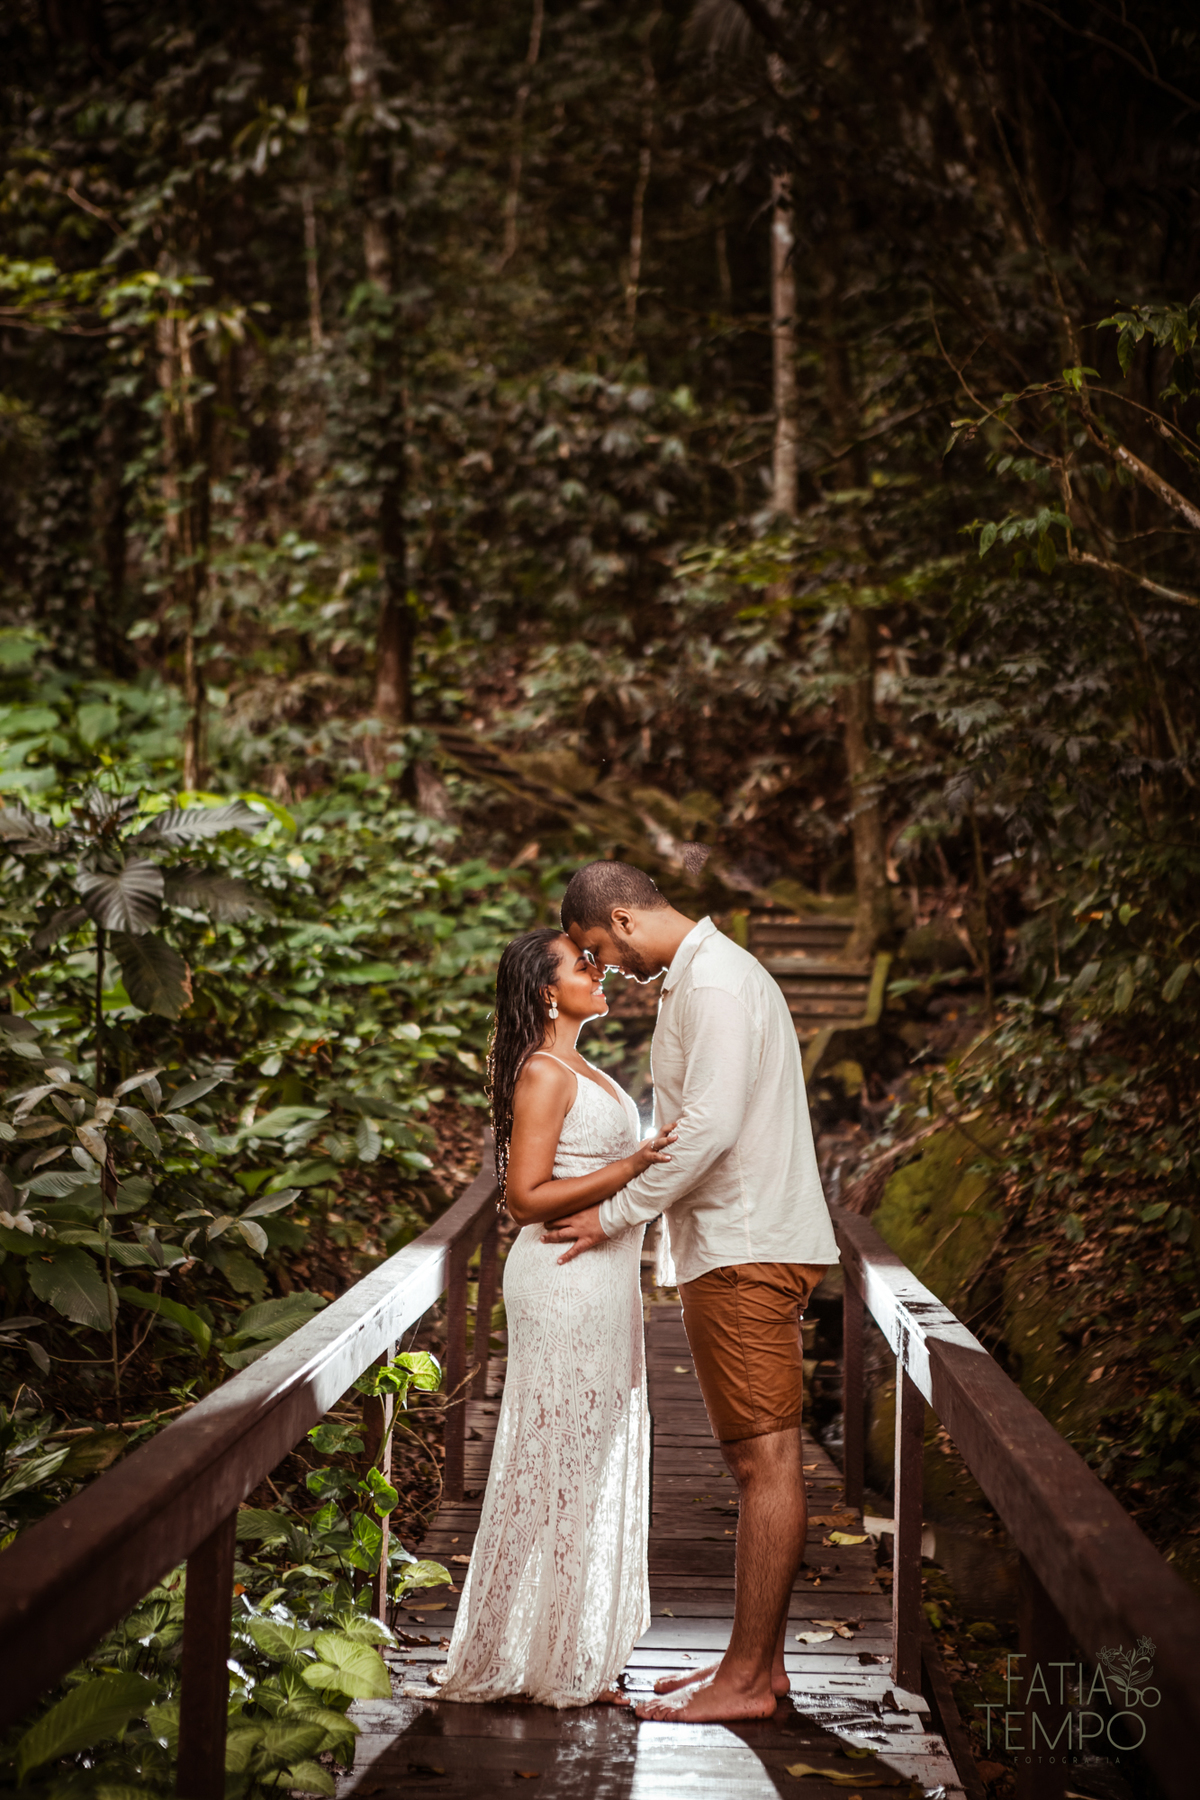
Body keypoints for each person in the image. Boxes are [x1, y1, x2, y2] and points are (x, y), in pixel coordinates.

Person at [544, 860, 840, 1724]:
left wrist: (615, 1217)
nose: (608, 968)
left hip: (744, 1249)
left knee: (763, 1462)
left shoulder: (712, 985)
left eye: (600, 947)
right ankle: (760, 1668)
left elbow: (704, 1127)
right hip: (741, 1243)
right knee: (765, 1457)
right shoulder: (710, 977)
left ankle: (746, 1681)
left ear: (625, 918)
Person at [437, 925, 677, 1708]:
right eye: (584, 965)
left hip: (602, 1279)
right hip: (563, 1279)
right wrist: (631, 1164)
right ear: (548, 990)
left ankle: (565, 1652)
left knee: (585, 1457)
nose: (600, 970)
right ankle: (545, 1658)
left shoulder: (582, 1067)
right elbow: (523, 1199)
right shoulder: (544, 1073)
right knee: (561, 1457)